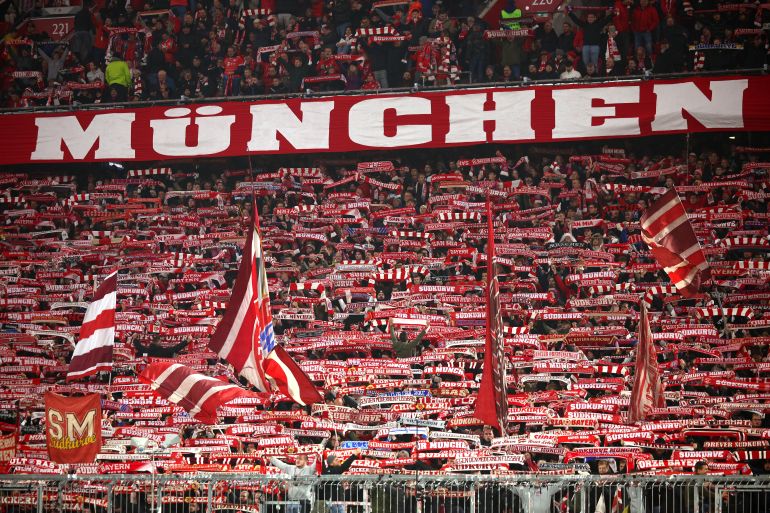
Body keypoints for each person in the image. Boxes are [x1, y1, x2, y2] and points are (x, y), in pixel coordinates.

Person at [567, 5, 613, 69]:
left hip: (595, 46)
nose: (590, 18)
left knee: (594, 63)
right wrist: (570, 13)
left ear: (595, 18)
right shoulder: (584, 25)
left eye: (591, 17)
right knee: (585, 63)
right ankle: (586, 76)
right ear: (587, 18)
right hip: (586, 47)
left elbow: (606, 20)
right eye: (589, 17)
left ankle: (595, 76)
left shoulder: (598, 25)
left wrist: (613, 13)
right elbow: (576, 20)